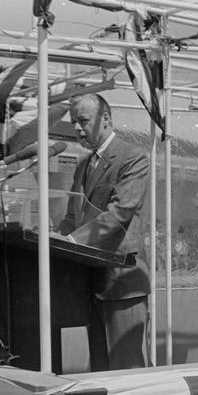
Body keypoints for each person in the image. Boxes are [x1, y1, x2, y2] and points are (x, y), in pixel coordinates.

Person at [55, 94, 150, 372]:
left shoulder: (132, 157)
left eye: (83, 121)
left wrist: (73, 241)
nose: (76, 129)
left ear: (105, 119)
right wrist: (57, 235)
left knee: (125, 365)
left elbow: (119, 213)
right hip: (92, 278)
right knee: (100, 366)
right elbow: (73, 215)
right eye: (73, 122)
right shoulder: (84, 164)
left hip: (123, 280)